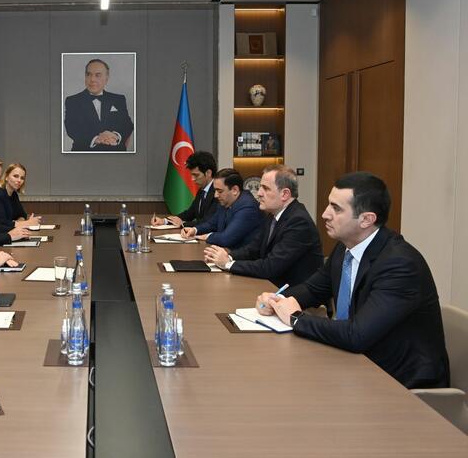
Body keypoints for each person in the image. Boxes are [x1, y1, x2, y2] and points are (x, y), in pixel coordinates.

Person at [256, 172, 450, 389]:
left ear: (367, 219)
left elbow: (357, 335)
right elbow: (313, 289)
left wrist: (295, 318)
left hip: (399, 381)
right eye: (329, 205)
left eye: (336, 208)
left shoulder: (400, 265)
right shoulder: (345, 248)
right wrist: (277, 300)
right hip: (357, 363)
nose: (325, 214)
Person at [204, 165, 323, 287]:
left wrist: (227, 264)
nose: (259, 193)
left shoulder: (299, 222)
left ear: (285, 194)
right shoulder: (273, 214)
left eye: (265, 188)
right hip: (271, 286)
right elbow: (253, 249)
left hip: (291, 293)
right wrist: (227, 257)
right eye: (260, 187)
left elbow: (270, 267)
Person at [64, 58, 134, 151]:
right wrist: (96, 139)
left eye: (98, 75)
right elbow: (71, 128)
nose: (92, 79)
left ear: (106, 78)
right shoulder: (72, 101)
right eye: (88, 74)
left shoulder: (118, 99)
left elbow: (127, 125)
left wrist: (115, 135)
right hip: (84, 153)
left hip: (116, 153)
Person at [180, 168, 262, 248]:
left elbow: (226, 238)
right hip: (223, 251)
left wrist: (207, 236)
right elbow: (212, 224)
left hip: (238, 255)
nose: (215, 195)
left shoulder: (248, 207)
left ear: (235, 190)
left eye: (220, 191)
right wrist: (195, 230)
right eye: (215, 190)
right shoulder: (225, 201)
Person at [152, 150, 218, 227]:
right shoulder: (202, 190)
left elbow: (209, 221)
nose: (192, 179)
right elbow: (189, 214)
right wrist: (164, 221)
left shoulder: (218, 192)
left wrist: (183, 224)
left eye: (196, 175)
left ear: (208, 173)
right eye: (192, 175)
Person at [0, 162, 41, 232]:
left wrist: (19, 222)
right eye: (15, 176)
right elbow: (1, 225)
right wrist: (26, 223)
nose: (19, 180)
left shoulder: (14, 194)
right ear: (6, 177)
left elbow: (22, 215)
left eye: (22, 178)